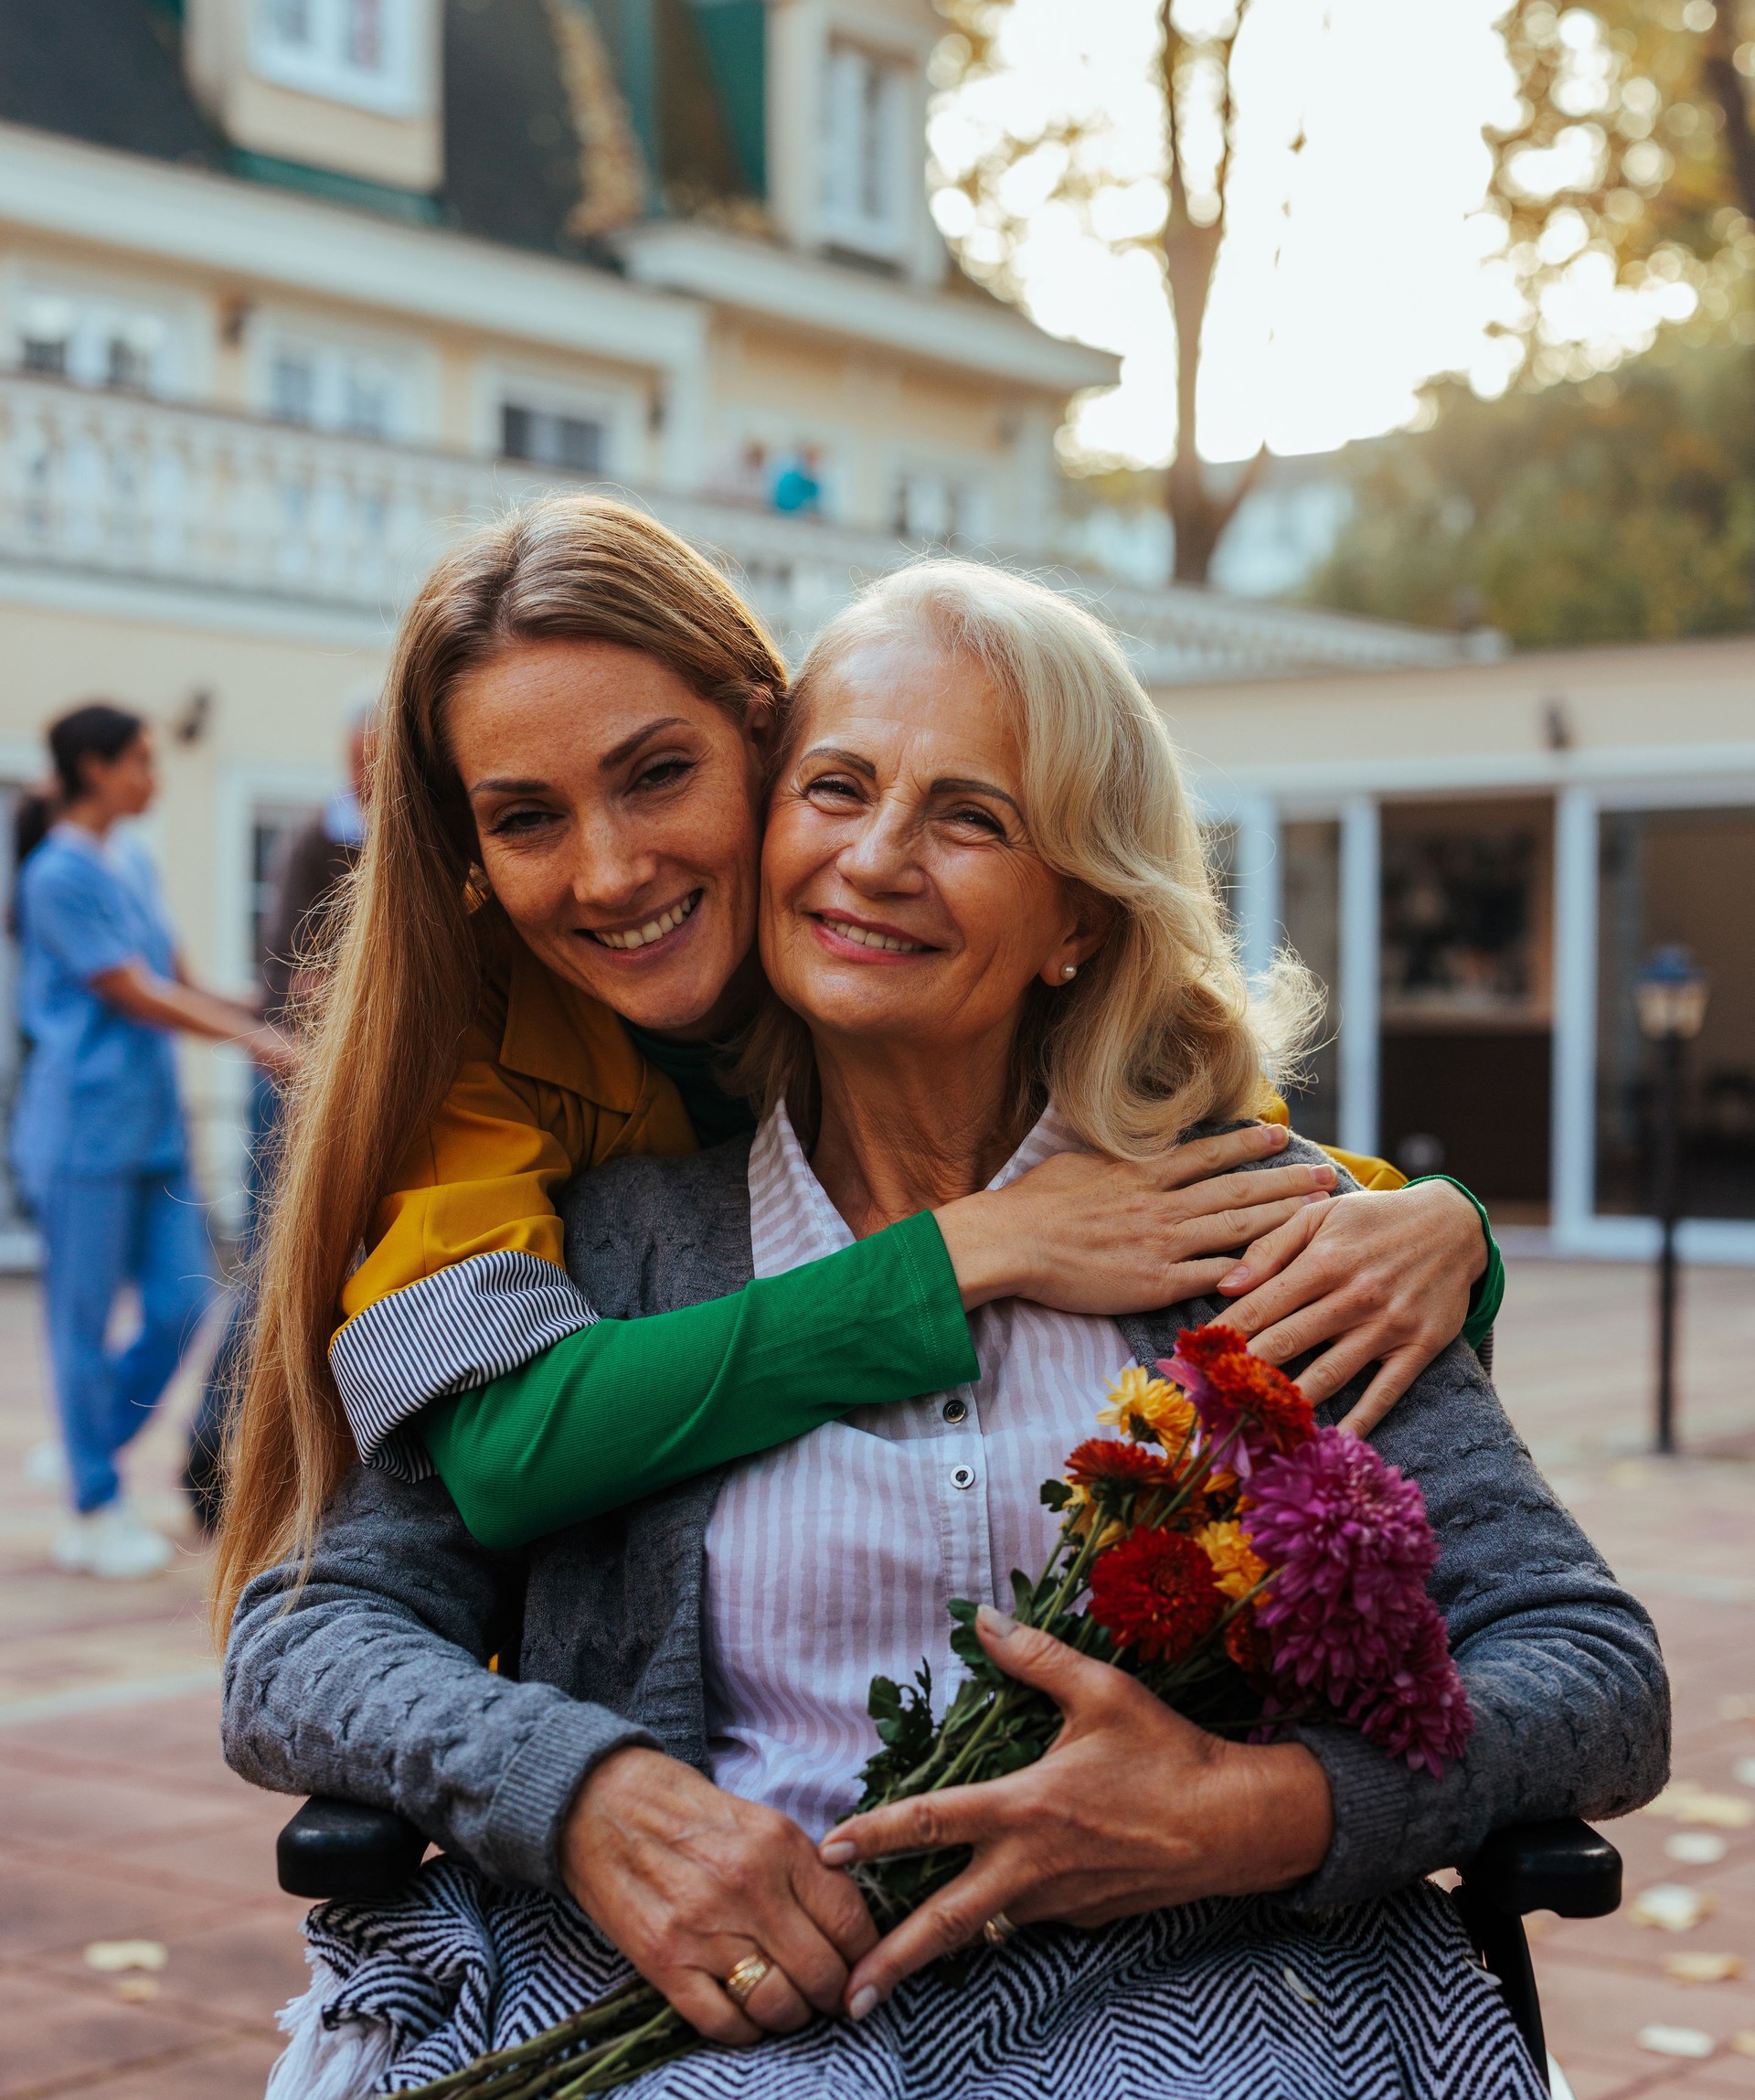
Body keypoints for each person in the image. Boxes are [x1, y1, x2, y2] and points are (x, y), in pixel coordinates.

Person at [222, 562, 1666, 2100]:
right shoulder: (604, 1228)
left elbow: (1591, 1666)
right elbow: (303, 1633)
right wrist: (580, 1786)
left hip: (1208, 1971)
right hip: (715, 1982)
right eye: (839, 788)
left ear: (1075, 910)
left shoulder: (1250, 1221)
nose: (875, 858)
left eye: (967, 813)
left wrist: (1259, 1809)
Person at [213, 499, 1499, 1622]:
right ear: (471, 855)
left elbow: (1239, 1184)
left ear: (769, 745)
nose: (609, 873)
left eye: (659, 774)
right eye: (526, 818)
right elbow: (503, 1450)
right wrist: (981, 1244)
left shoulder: (882, 953)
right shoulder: (470, 1061)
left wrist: (1454, 1233)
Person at [11, 706, 291, 1578]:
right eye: (139, 760)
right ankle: (93, 1507)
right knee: (82, 1324)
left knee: (182, 1307)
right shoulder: (54, 873)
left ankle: (91, 1440)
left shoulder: (132, 856)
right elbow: (132, 990)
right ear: (94, 768)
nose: (154, 775)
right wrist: (256, 1042)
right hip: (82, 1129)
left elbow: (182, 978)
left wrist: (268, 1002)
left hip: (154, 1123)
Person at [185, 698, 373, 1530]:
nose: (371, 774)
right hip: (298, 1082)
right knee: (276, 1271)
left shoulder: (390, 836)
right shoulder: (319, 839)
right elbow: (291, 979)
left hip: (341, 1079)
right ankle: (208, 1457)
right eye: (364, 757)